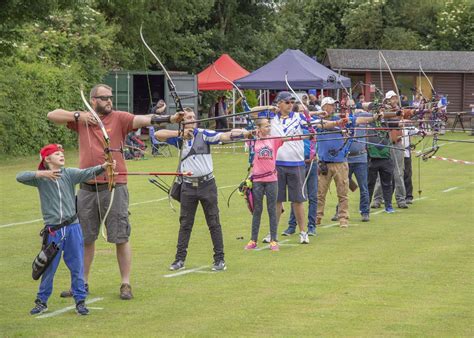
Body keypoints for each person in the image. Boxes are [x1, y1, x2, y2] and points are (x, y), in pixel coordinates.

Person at [47, 84, 183, 300]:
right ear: (93, 100)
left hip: (114, 186)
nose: (109, 101)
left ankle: (125, 284)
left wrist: (171, 118)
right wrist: (79, 115)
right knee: (85, 238)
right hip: (87, 188)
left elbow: (143, 119)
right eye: (103, 98)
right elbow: (52, 115)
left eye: (110, 97)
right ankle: (81, 284)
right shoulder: (82, 120)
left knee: (121, 236)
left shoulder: (119, 118)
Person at [17, 144, 114, 315]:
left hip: (73, 228)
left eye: (61, 153)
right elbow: (20, 176)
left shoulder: (68, 173)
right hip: (53, 231)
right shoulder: (40, 179)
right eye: (56, 154)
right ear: (47, 159)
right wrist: (42, 173)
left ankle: (80, 301)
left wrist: (104, 166)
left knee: (77, 265)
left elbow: (88, 172)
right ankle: (42, 301)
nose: (61, 155)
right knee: (49, 267)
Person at [155, 107, 251, 271]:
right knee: (185, 224)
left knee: (214, 222)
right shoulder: (180, 137)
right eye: (188, 117)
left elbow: (224, 135)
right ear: (182, 121)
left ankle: (219, 260)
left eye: (193, 116)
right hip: (188, 186)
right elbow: (158, 135)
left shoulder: (204, 134)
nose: (192, 119)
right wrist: (179, 134)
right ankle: (179, 260)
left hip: (207, 185)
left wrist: (244, 133)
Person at [316, 97, 383, 227]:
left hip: (340, 162)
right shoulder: (318, 121)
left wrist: (374, 117)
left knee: (343, 193)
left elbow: (359, 120)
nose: (333, 107)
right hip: (324, 163)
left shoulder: (342, 120)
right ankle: (317, 217)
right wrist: (338, 123)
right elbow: (322, 125)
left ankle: (343, 218)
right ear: (324, 107)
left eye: (333, 105)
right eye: (330, 105)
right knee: (320, 194)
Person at [371, 90, 408, 209]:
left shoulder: (399, 110)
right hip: (385, 146)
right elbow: (385, 120)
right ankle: (377, 199)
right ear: (386, 100)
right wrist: (397, 116)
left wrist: (401, 116)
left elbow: (402, 119)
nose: (394, 100)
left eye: (395, 98)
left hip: (397, 145)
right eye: (391, 98)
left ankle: (401, 199)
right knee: (380, 173)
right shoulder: (383, 111)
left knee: (398, 173)